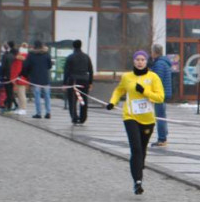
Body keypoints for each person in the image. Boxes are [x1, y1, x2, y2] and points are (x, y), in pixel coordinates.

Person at [105, 50, 165, 194]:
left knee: (142, 149)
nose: (140, 62)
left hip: (148, 119)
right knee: (136, 148)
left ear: (146, 61)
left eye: (142, 59)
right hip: (130, 116)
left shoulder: (153, 77)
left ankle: (139, 165)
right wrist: (112, 102)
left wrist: (145, 91)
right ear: (133, 61)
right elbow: (119, 91)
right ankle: (137, 182)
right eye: (137, 59)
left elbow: (160, 97)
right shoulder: (127, 77)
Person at [63, 39, 94, 125]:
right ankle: (83, 118)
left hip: (73, 80)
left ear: (73, 46)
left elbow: (66, 71)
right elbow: (91, 70)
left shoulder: (70, 57)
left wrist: (65, 83)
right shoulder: (86, 57)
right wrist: (90, 82)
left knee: (72, 100)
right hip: (85, 80)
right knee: (83, 99)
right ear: (81, 45)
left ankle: (74, 117)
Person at [21, 39, 53, 118]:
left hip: (35, 79)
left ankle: (38, 113)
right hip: (45, 78)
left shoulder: (31, 55)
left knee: (37, 96)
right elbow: (50, 66)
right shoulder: (47, 54)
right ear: (42, 45)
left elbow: (26, 66)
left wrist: (26, 75)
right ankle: (48, 112)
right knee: (47, 96)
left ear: (34, 46)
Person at [150, 44, 173, 145]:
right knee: (162, 115)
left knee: (160, 117)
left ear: (155, 52)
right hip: (164, 92)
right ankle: (164, 136)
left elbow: (157, 80)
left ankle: (162, 138)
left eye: (152, 52)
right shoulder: (164, 62)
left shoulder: (159, 64)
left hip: (160, 94)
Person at [11, 43, 29, 115]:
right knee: (20, 94)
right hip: (21, 77)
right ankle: (21, 108)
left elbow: (16, 69)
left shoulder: (18, 59)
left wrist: (13, 77)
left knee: (21, 94)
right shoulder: (26, 58)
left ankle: (23, 108)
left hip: (20, 77)